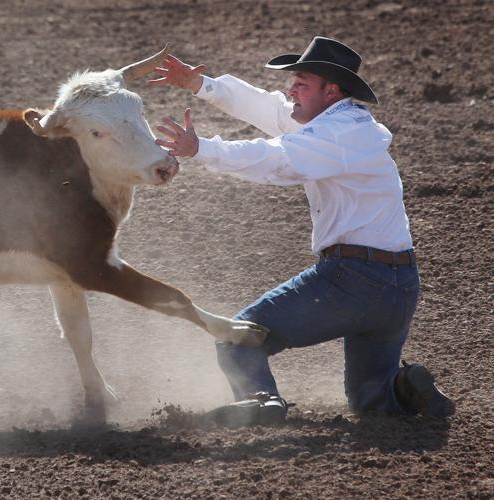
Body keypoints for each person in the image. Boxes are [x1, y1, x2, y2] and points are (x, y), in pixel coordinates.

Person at [151, 36, 454, 427]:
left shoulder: (334, 136)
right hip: (399, 286)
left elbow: (278, 160)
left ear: (331, 90)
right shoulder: (344, 125)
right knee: (371, 402)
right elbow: (269, 107)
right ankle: (408, 386)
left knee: (237, 338)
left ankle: (262, 404)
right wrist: (202, 85)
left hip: (353, 281)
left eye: (302, 82)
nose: (291, 89)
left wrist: (203, 149)